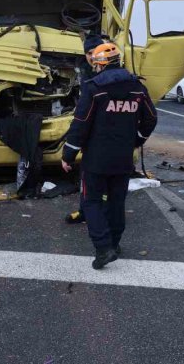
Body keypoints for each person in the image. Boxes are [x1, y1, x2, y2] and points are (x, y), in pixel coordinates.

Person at [62, 42, 157, 269]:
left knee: (91, 202)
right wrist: (137, 140)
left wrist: (68, 154)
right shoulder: (137, 87)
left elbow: (81, 123)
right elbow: (151, 118)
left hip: (96, 159)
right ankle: (114, 244)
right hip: (123, 157)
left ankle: (104, 248)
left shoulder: (94, 88)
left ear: (100, 64)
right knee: (116, 202)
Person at [64, 33, 103, 225]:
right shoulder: (84, 71)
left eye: (96, 52)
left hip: (104, 133)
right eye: (89, 53)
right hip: (93, 133)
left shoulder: (110, 74)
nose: (92, 56)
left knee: (101, 178)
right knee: (87, 178)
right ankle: (86, 211)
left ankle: (98, 215)